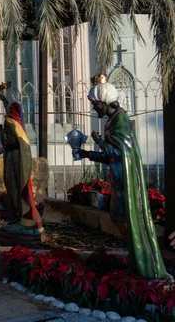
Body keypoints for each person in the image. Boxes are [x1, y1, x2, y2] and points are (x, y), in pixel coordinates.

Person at [76, 73, 169, 280]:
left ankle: (147, 267)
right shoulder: (112, 121)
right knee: (124, 226)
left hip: (127, 186)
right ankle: (138, 263)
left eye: (95, 104)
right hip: (119, 185)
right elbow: (112, 157)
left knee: (133, 227)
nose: (93, 108)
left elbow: (121, 153)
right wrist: (87, 154)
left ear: (104, 102)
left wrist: (100, 144)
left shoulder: (121, 120)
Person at [0, 82, 42, 234]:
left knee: (18, 185)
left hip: (18, 154)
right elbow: (12, 133)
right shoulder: (12, 109)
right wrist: (1, 138)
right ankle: (19, 216)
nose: (2, 100)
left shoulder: (14, 108)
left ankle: (26, 219)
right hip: (13, 152)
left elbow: (17, 135)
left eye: (2, 97)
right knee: (12, 184)